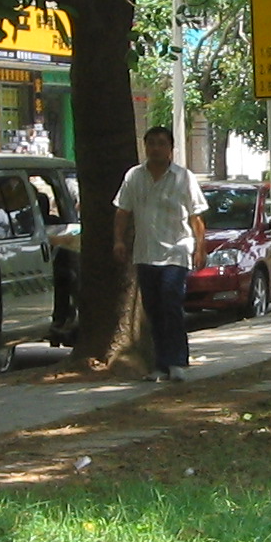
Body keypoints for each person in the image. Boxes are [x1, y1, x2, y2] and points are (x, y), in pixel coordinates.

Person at [112, 125, 207, 380]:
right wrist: (118, 241)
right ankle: (160, 365)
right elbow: (123, 211)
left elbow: (196, 217)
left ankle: (177, 361)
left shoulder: (183, 178)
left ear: (170, 149)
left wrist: (200, 247)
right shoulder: (134, 176)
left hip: (177, 251)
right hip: (145, 252)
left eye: (161, 143)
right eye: (151, 143)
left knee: (170, 302)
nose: (156, 148)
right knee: (153, 309)